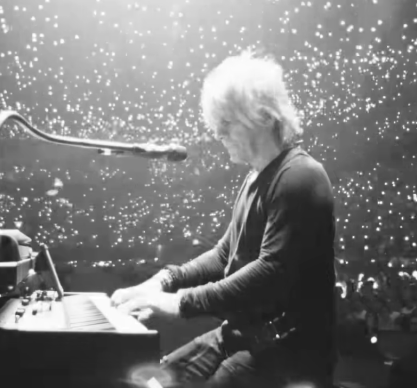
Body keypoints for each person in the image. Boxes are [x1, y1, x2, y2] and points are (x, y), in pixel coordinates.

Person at [113, 50, 338, 387]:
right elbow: (223, 256)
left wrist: (178, 303)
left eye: (226, 123)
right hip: (241, 336)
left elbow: (270, 273)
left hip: (288, 355)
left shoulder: (301, 176)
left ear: (262, 115)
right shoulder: (254, 179)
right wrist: (161, 282)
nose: (217, 133)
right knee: (147, 380)